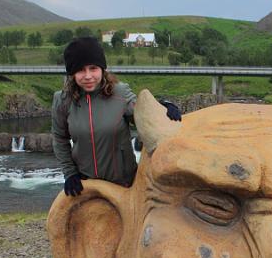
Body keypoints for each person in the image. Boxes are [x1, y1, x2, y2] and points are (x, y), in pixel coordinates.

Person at [51, 37, 181, 196]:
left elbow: (143, 113)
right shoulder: (63, 100)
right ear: (72, 73)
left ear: (102, 69)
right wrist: (70, 173)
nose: (88, 76)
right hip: (86, 185)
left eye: (93, 68)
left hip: (125, 184)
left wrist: (164, 105)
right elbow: (59, 138)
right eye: (80, 70)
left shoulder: (120, 93)